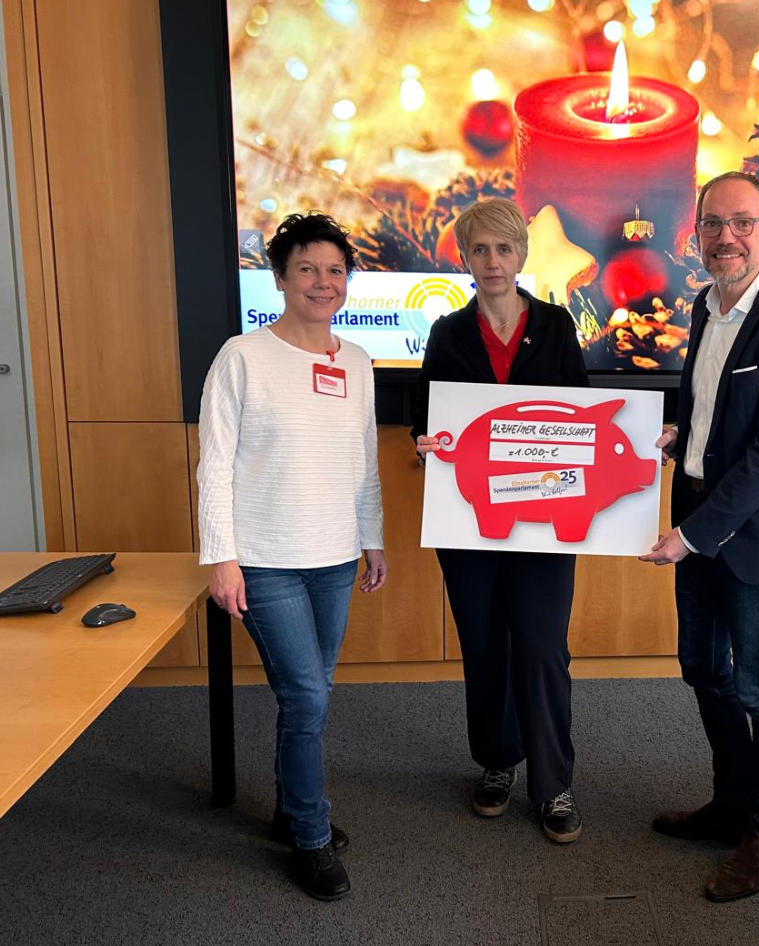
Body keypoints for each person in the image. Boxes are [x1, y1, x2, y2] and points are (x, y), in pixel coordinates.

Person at [639, 171, 759, 901]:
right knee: (702, 667)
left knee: (758, 684)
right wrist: (679, 434)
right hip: (699, 521)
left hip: (750, 538)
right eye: (714, 224)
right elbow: (715, 408)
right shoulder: (704, 305)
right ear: (697, 234)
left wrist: (691, 536)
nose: (727, 237)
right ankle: (731, 802)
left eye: (743, 222)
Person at [197, 212, 387, 902]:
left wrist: (372, 538)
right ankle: (309, 833)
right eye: (306, 268)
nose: (322, 282)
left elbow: (364, 461)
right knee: (305, 695)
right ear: (279, 277)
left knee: (312, 693)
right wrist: (221, 558)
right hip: (265, 559)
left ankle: (287, 807)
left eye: (335, 270)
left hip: (333, 557)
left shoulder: (357, 361)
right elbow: (214, 465)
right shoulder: (242, 357)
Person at [411, 198, 589, 843]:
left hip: (545, 514)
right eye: (480, 249)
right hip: (470, 521)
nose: (493, 261)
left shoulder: (557, 325)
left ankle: (553, 782)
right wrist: (425, 443)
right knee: (485, 645)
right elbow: (427, 418)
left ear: (522, 255)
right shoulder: (447, 333)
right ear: (464, 258)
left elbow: (583, 416)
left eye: (504, 248)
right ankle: (496, 761)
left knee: (541, 647)